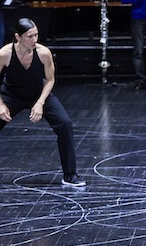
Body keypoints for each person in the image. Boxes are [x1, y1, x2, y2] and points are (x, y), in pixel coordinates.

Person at [0, 18, 85, 187]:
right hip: (11, 94)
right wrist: (1, 105)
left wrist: (39, 103)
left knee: (64, 123)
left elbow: (50, 80)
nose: (34, 40)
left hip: (38, 94)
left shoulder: (43, 53)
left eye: (36, 35)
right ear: (18, 37)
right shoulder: (5, 54)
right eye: (29, 36)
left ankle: (70, 175)